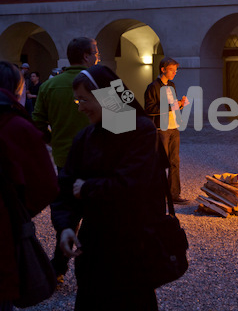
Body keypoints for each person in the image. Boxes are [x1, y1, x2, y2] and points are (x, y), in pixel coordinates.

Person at [52, 65, 167, 310]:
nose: (80, 107)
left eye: (84, 99)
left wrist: (87, 188)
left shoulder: (140, 130)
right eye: (77, 100)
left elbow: (132, 185)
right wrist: (64, 226)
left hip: (132, 246)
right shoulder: (85, 137)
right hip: (93, 247)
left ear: (106, 94)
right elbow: (66, 187)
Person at [32, 36, 99, 284]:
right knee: (97, 221)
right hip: (99, 165)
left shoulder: (49, 86)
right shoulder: (103, 82)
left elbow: (37, 124)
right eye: (96, 51)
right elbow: (126, 124)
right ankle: (91, 272)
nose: (98, 56)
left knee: (68, 220)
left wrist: (54, 140)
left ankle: (58, 269)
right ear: (86, 56)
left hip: (65, 161)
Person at [0, 61, 58, 311]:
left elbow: (39, 119)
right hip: (80, 173)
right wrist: (18, 212)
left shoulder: (51, 87)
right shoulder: (103, 83)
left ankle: (62, 265)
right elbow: (44, 185)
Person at [144, 57, 189, 204]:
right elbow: (149, 109)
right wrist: (173, 106)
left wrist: (180, 105)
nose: (174, 73)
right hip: (161, 129)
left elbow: (172, 106)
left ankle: (174, 195)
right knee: (161, 163)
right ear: (163, 69)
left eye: (176, 70)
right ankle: (157, 194)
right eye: (171, 70)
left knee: (175, 162)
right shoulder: (153, 87)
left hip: (174, 127)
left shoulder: (172, 85)